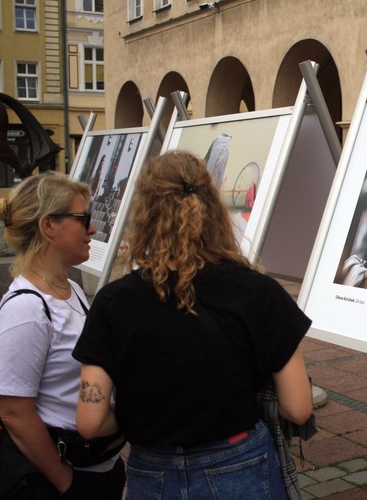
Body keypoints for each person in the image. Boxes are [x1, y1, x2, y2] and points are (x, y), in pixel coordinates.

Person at [73, 150, 313, 499]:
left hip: (152, 470)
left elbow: (90, 422)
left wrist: (148, 413)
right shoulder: (258, 292)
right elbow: (298, 407)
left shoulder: (113, 302)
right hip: (240, 463)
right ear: (213, 209)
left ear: (144, 215)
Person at [0, 171, 126, 498]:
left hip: (98, 467)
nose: (92, 228)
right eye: (83, 218)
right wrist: (66, 482)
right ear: (48, 226)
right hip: (61, 479)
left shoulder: (72, 289)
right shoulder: (26, 310)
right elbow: (15, 414)